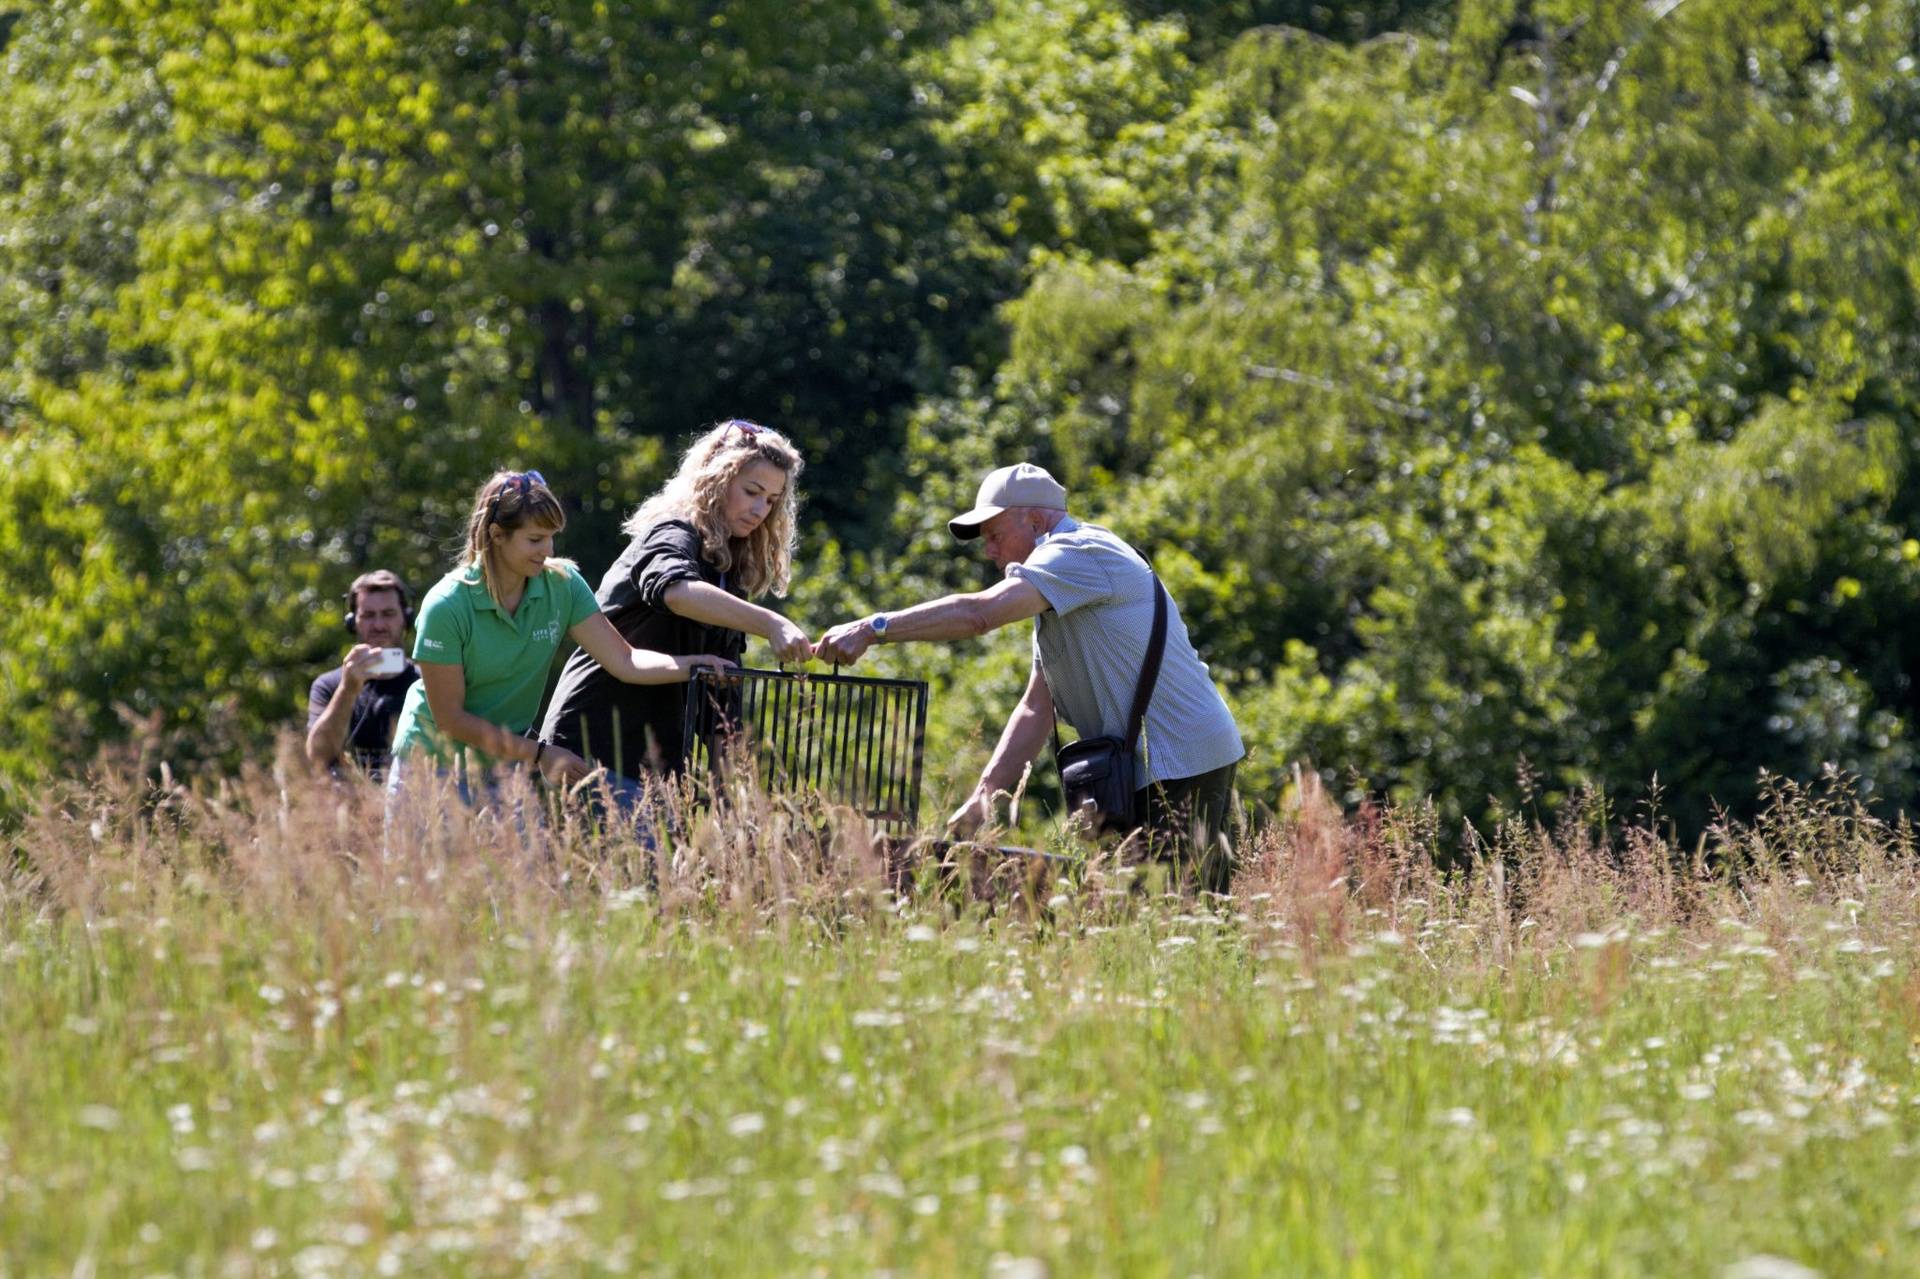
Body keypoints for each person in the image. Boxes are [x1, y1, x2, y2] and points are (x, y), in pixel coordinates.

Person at [815, 463, 1244, 891]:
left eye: (995, 536)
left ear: (1036, 522)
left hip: (1181, 754)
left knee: (1181, 905)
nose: (989, 552)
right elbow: (1037, 707)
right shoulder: (1056, 593)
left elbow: (978, 615)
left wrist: (873, 628)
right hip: (1149, 762)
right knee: (1139, 907)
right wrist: (985, 796)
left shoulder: (1079, 553)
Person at [386, 469, 729, 804]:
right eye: (535, 539)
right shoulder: (446, 605)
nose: (548, 550)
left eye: (551, 536)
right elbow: (450, 719)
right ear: (496, 535)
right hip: (433, 769)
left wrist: (693, 665)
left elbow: (626, 661)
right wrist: (539, 754)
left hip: (507, 768)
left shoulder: (562, 584)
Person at [539, 420, 812, 796]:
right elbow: (675, 591)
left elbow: (721, 692)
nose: (760, 508)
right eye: (752, 491)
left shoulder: (726, 573)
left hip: (658, 769)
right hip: (594, 746)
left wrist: (730, 796)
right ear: (716, 479)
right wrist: (772, 624)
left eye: (771, 500)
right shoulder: (671, 532)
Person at [305, 569, 420, 780]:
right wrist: (348, 690)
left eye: (388, 614)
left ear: (406, 617)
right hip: (348, 807)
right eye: (368, 615)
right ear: (352, 622)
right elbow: (318, 756)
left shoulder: (426, 682)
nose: (378, 625)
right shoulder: (330, 685)